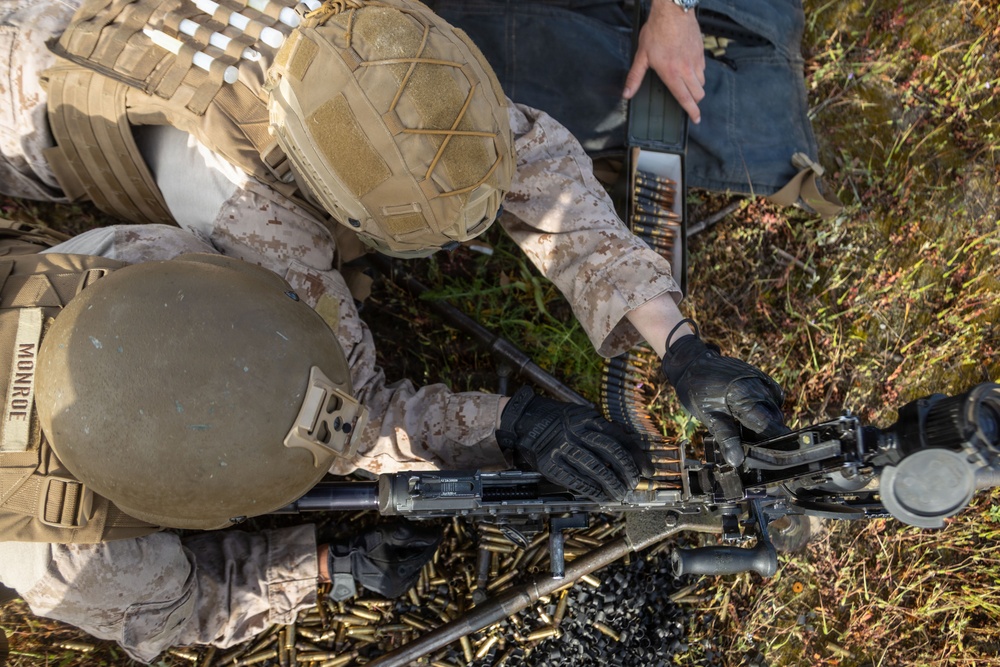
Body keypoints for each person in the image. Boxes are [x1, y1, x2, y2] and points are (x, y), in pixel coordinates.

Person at [0, 0, 787, 465]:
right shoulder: (250, 205)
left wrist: (681, 346)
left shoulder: (378, 53)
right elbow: (342, 412)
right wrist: (512, 425)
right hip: (28, 93)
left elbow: (535, 165)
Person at [0, 223, 654, 661]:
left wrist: (512, 425)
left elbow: (341, 413)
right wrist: (333, 568)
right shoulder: (74, 558)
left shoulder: (144, 261)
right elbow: (200, 602)